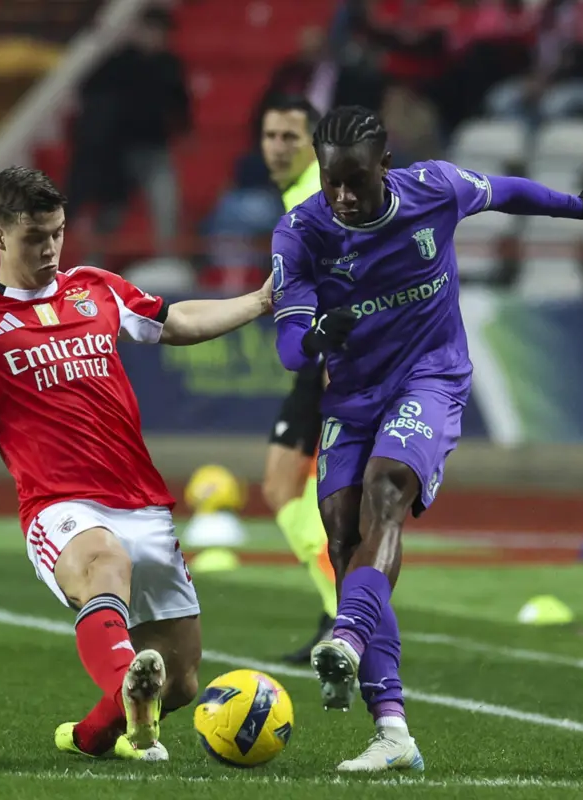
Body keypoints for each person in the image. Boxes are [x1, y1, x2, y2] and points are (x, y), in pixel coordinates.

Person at [0, 166, 272, 763]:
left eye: (56, 232)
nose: (50, 247)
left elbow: (173, 321)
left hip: (143, 503)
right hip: (60, 505)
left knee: (181, 683)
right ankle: (126, 684)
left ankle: (92, 733)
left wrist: (260, 300)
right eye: (34, 237)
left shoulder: (98, 289)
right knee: (105, 564)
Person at [270, 105, 583, 772]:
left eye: (356, 181)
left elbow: (507, 191)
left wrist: (579, 208)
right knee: (343, 538)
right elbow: (291, 345)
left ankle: (346, 637)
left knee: (386, 494)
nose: (343, 197)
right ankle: (393, 733)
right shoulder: (301, 231)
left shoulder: (433, 188)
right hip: (350, 398)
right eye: (331, 181)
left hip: (429, 379)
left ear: (386, 167)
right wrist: (317, 337)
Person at [259, 94, 339, 663]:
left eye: (291, 136)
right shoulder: (297, 193)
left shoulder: (319, 194)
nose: (279, 147)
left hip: (334, 361)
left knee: (302, 491)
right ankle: (338, 612)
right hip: (317, 359)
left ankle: (345, 616)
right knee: (284, 488)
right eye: (271, 136)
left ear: (313, 143)